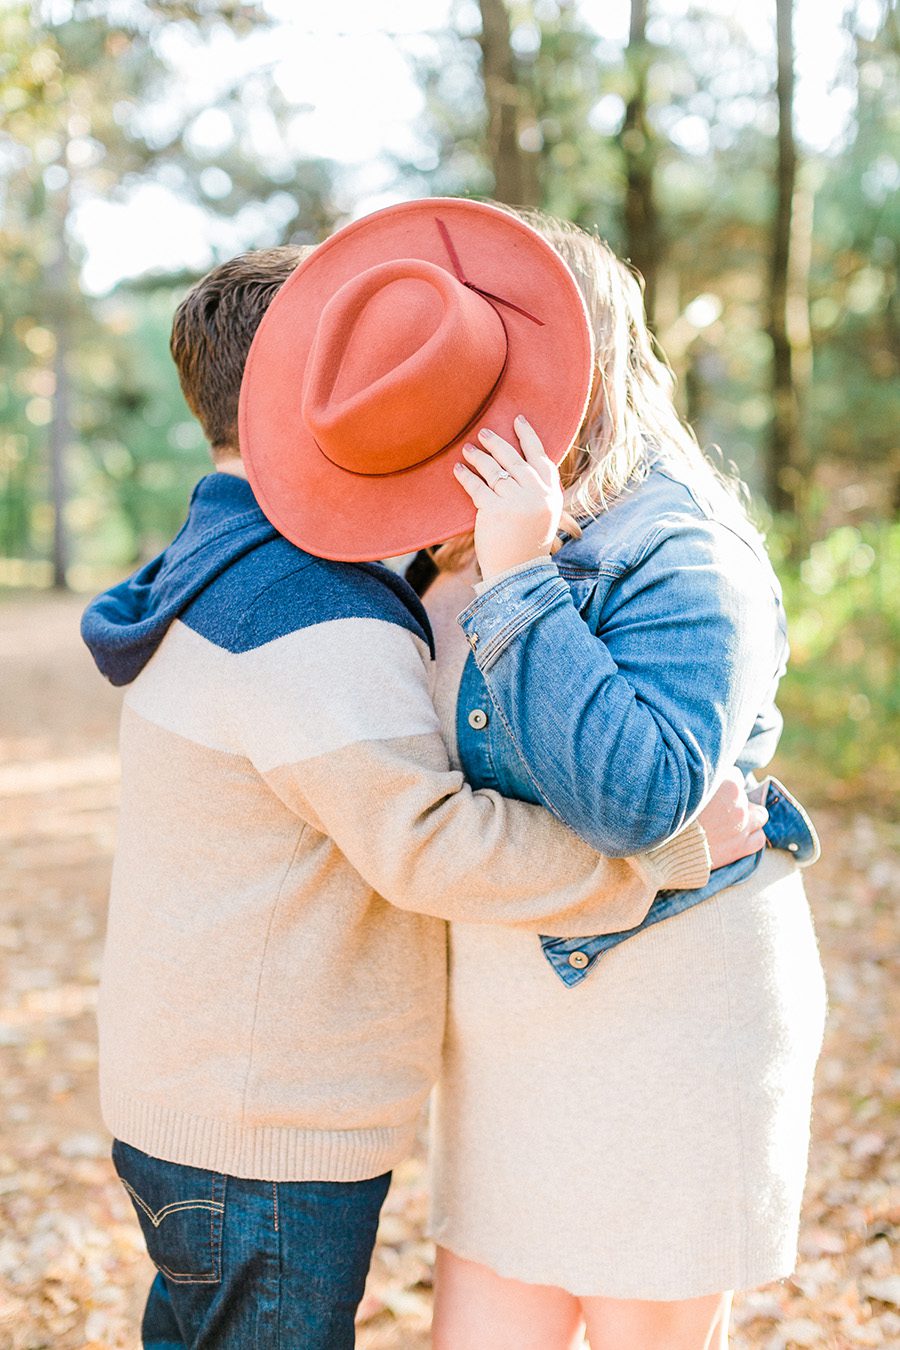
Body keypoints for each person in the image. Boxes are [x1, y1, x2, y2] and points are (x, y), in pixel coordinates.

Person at [81, 205, 764, 1349]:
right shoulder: (309, 615)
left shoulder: (210, 567)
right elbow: (432, 843)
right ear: (311, 392)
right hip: (266, 1128)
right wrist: (666, 856)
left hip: (192, 1099)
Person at [418, 212, 826, 1350]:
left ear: (571, 358)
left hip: (665, 1009)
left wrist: (520, 577)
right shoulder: (456, 532)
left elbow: (633, 800)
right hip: (509, 1023)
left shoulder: (685, 551)